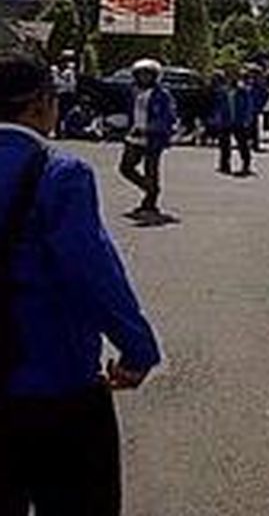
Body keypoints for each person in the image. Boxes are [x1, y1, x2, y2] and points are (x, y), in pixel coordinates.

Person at [0, 50, 161, 515]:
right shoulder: (60, 175)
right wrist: (137, 350)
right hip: (56, 385)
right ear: (39, 106)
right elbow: (92, 273)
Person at [118, 58, 176, 217]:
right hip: (134, 135)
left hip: (153, 138)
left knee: (151, 170)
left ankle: (150, 202)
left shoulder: (162, 95)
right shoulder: (133, 92)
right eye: (140, 74)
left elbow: (168, 117)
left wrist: (149, 129)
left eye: (147, 75)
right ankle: (149, 188)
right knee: (126, 168)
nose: (144, 78)